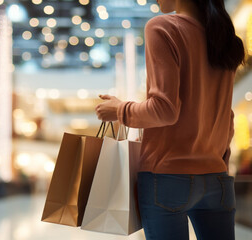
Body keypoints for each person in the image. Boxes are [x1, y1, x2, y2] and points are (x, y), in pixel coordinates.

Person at [95, 0, 245, 239]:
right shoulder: (223, 40)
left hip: (167, 179)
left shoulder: (163, 27)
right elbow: (227, 120)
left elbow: (164, 110)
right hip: (217, 180)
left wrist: (119, 110)